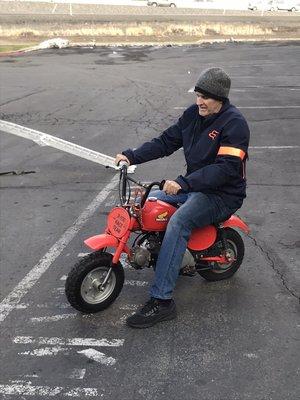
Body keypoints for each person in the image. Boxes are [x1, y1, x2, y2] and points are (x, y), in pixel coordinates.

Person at [115, 67, 250, 329]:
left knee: (179, 222)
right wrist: (131, 155)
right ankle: (166, 255)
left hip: (222, 194)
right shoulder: (193, 115)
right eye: (198, 95)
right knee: (151, 200)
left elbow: (226, 169)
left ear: (220, 98)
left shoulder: (235, 124)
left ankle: (162, 300)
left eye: (206, 97)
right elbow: (166, 141)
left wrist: (184, 183)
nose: (199, 101)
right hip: (195, 186)